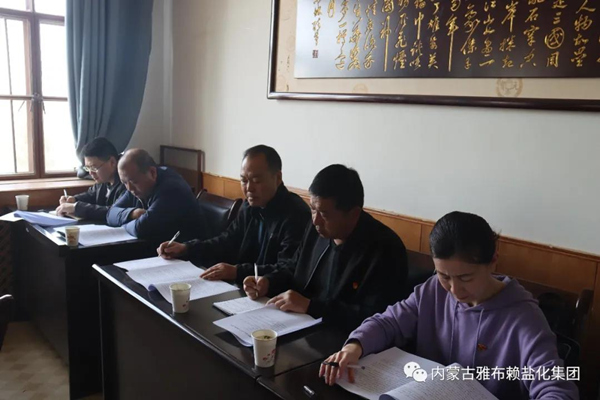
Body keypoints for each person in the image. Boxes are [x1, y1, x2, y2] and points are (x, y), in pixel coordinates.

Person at [320, 211, 579, 399]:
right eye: (444, 276)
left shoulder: (523, 316)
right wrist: (354, 347)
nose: (454, 290)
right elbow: (389, 322)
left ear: (493, 261)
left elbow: (556, 386)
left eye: (465, 278)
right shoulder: (433, 290)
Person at [243, 164, 408, 332]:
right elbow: (294, 268)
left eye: (324, 213)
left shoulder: (385, 249)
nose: (315, 220)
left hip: (345, 339)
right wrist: (268, 282)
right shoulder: (316, 229)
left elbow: (377, 316)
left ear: (353, 214)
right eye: (313, 209)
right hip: (299, 327)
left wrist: (310, 306)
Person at [157, 145, 310, 286]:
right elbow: (227, 241)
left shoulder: (296, 214)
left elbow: (287, 269)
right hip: (243, 288)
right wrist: (187, 248)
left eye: (256, 180)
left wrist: (237, 272)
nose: (249, 188)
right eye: (244, 180)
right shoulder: (249, 206)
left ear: (277, 178)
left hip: (272, 295)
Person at [106, 148, 209, 242]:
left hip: (187, 252)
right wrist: (132, 214)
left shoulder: (171, 189)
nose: (129, 188)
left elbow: (141, 228)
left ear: (152, 172)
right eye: (124, 183)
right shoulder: (135, 184)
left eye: (134, 182)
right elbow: (110, 214)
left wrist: (123, 224)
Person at [55, 138, 126, 221]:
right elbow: (91, 195)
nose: (91, 173)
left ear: (112, 162)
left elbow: (115, 212)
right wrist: (74, 199)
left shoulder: (128, 182)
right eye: (88, 168)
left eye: (94, 168)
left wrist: (76, 208)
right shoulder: (103, 180)